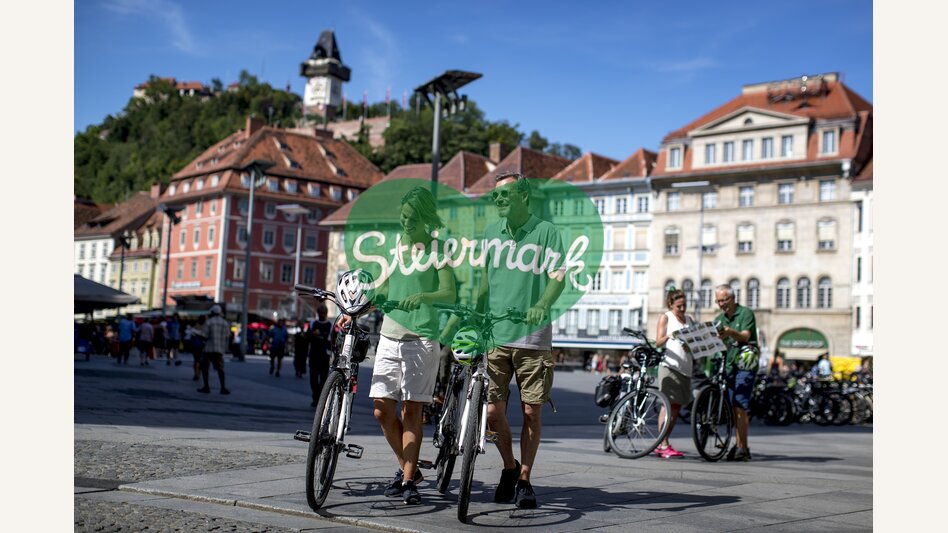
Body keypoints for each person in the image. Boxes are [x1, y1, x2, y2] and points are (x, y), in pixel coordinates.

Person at [479, 171, 565, 509]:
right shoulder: (490, 234)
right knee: (491, 411)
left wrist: (542, 303)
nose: (499, 200)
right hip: (495, 336)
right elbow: (485, 282)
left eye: (506, 194)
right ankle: (509, 466)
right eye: (495, 196)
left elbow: (558, 276)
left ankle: (525, 479)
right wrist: (474, 314)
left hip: (533, 337)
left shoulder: (546, 232)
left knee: (531, 412)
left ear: (524, 196)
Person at [366, 186, 456, 505]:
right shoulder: (393, 247)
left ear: (427, 219)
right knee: (380, 409)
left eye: (413, 219)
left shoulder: (438, 249)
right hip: (389, 335)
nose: (406, 223)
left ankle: (407, 480)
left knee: (411, 409)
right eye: (403, 217)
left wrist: (424, 296)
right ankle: (411, 467)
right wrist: (361, 303)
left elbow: (449, 292)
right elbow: (384, 285)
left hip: (422, 338)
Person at [714, 284, 759, 462]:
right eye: (718, 301)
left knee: (739, 404)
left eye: (724, 300)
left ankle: (742, 447)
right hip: (729, 364)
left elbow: (745, 336)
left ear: (733, 298)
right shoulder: (719, 318)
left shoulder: (746, 313)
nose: (722, 304)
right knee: (732, 406)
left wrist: (730, 332)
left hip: (745, 363)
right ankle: (741, 445)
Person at [654, 287, 696, 458]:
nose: (683, 309)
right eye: (679, 306)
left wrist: (691, 344)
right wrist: (671, 335)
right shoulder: (666, 317)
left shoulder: (690, 320)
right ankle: (662, 444)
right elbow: (658, 342)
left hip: (686, 368)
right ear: (671, 304)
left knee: (677, 407)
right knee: (668, 405)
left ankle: (665, 441)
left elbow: (694, 341)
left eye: (684, 305)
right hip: (669, 366)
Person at [198, 305, 231, 395]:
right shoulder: (225, 323)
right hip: (219, 349)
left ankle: (206, 387)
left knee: (205, 368)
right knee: (220, 369)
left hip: (209, 349)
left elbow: (204, 335)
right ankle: (223, 387)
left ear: (212, 312)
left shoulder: (208, 322)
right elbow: (227, 335)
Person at [308, 304, 333, 406]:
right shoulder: (313, 323)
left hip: (324, 356)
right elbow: (307, 336)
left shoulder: (330, 325)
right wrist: (312, 334)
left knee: (323, 379)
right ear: (318, 313)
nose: (322, 315)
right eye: (320, 313)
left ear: (326, 313)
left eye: (323, 313)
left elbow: (332, 341)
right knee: (313, 378)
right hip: (313, 354)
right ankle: (315, 396)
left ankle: (319, 399)